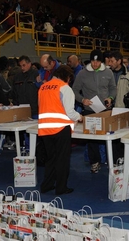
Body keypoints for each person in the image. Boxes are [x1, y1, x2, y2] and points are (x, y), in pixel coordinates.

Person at [38, 65, 82, 195]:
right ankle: (61, 187)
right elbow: (69, 111)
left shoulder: (43, 87)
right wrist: (79, 117)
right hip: (61, 128)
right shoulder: (65, 88)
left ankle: (47, 185)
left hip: (45, 128)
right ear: (67, 77)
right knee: (62, 159)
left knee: (51, 158)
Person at [72, 49, 116, 173]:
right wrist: (82, 100)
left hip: (105, 110)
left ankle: (112, 161)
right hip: (89, 110)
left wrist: (110, 98)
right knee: (92, 139)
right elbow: (75, 90)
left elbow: (113, 88)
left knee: (110, 136)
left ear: (101, 61)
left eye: (97, 61)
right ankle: (94, 162)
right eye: (93, 61)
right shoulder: (82, 73)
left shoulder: (108, 72)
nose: (95, 64)